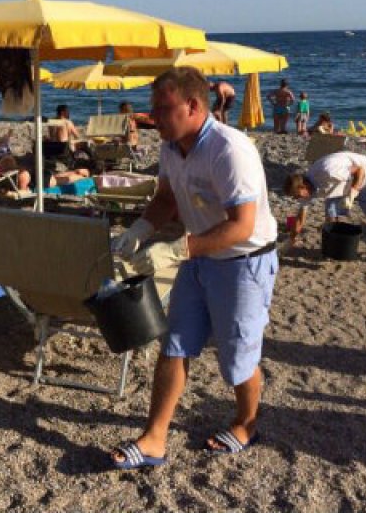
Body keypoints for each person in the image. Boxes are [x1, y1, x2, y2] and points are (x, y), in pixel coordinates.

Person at [110, 67, 278, 468]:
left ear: (193, 106)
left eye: (162, 108)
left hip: (244, 261)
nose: (154, 116)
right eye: (153, 107)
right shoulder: (171, 147)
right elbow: (166, 199)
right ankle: (154, 438)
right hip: (198, 257)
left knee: (238, 356)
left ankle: (246, 423)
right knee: (175, 344)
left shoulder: (229, 149)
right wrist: (141, 228)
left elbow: (242, 226)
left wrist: (176, 250)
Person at [284, 151, 366, 265]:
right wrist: (291, 240)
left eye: (296, 195)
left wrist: (353, 192)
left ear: (303, 186)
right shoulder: (306, 187)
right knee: (331, 214)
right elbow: (300, 219)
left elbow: (360, 169)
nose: (296, 198)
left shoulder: (328, 172)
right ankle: (332, 250)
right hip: (339, 183)